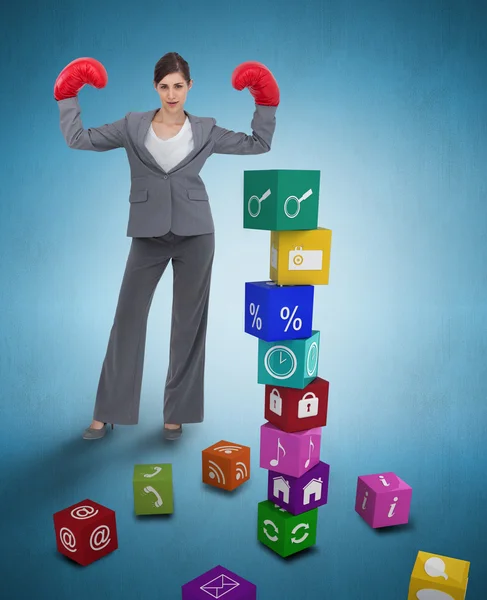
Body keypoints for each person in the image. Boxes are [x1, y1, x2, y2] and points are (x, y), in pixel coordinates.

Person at [54, 52, 279, 441]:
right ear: (155, 88)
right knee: (127, 319)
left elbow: (258, 143)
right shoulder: (132, 125)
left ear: (189, 87)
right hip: (147, 234)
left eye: (178, 86)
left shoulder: (206, 129)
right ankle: (106, 411)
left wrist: (265, 101)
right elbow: (79, 138)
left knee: (188, 325)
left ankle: (177, 413)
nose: (171, 94)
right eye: (164, 86)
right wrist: (67, 95)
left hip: (196, 234)